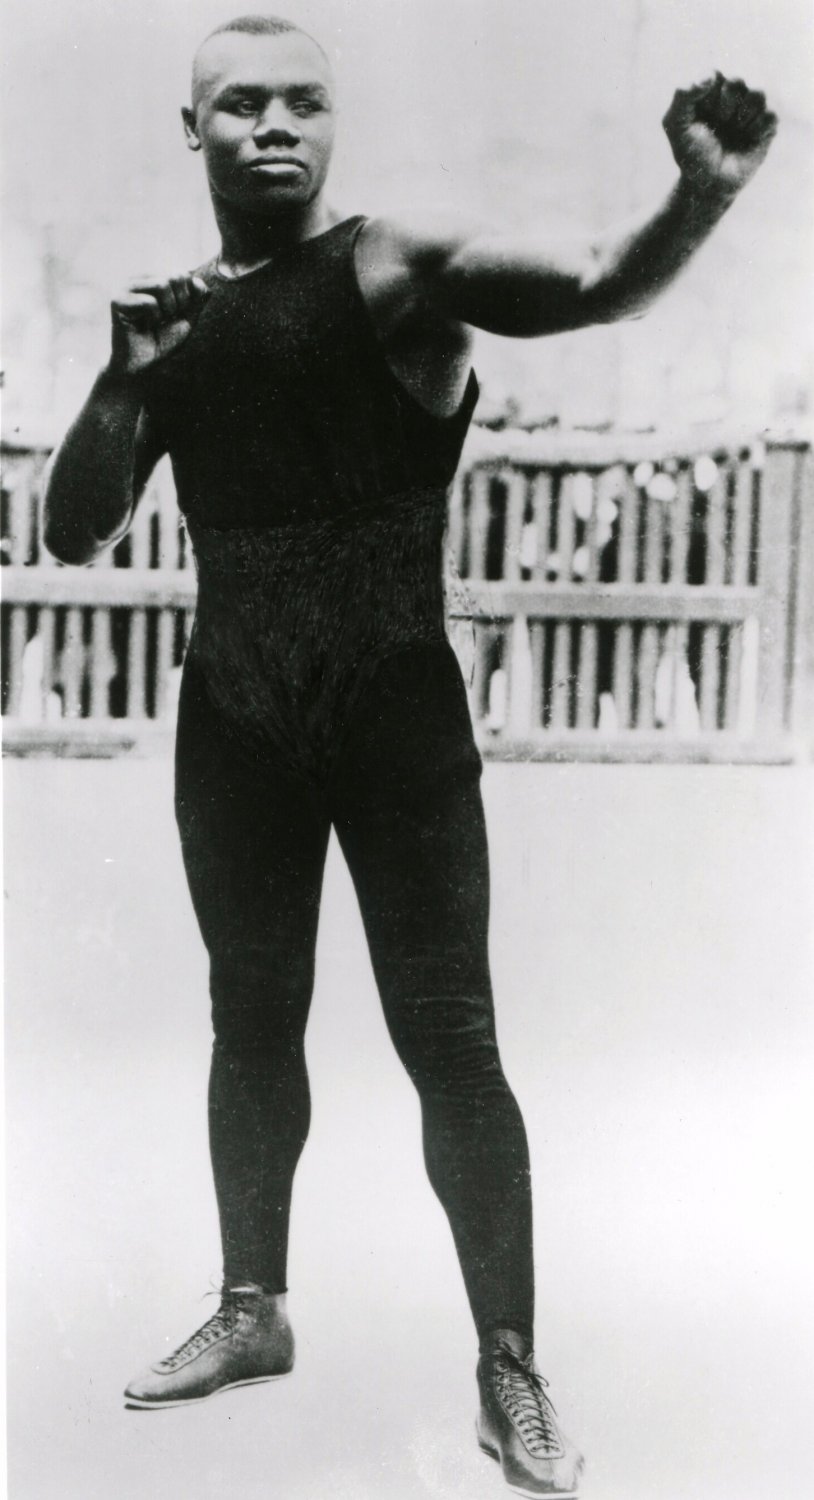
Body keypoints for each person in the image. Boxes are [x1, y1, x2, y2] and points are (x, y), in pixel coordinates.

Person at [43, 15, 776, 1496]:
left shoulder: (394, 264)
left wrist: (696, 197)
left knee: (451, 1039)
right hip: (234, 721)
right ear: (190, 134)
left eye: (302, 103)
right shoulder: (174, 319)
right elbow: (75, 531)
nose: (272, 127)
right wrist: (123, 379)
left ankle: (508, 1363)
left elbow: (593, 291)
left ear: (335, 124)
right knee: (248, 1019)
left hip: (392, 717)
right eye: (237, 104)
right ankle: (253, 1309)